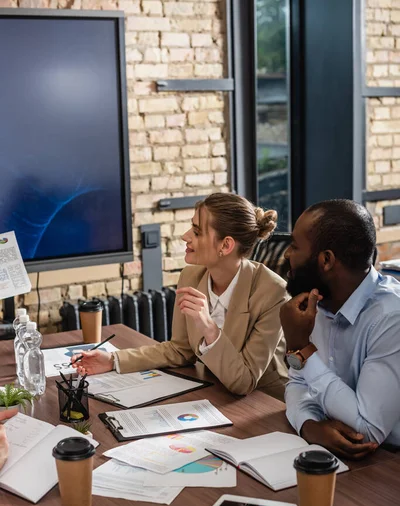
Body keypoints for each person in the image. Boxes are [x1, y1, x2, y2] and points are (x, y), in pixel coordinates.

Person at [72, 192, 289, 399]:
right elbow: (180, 350)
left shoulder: (272, 292)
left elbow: (244, 382)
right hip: (215, 392)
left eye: (197, 231)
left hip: (264, 405)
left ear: (226, 245)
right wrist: (112, 360)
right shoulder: (191, 276)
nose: (186, 236)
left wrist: (209, 328)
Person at [280, 199, 400, 458]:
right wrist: (309, 426)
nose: (287, 255)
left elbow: (367, 431)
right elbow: (297, 384)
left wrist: (302, 349)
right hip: (343, 459)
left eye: (294, 246)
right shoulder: (318, 302)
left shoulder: (392, 317)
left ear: (326, 260)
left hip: (388, 464)